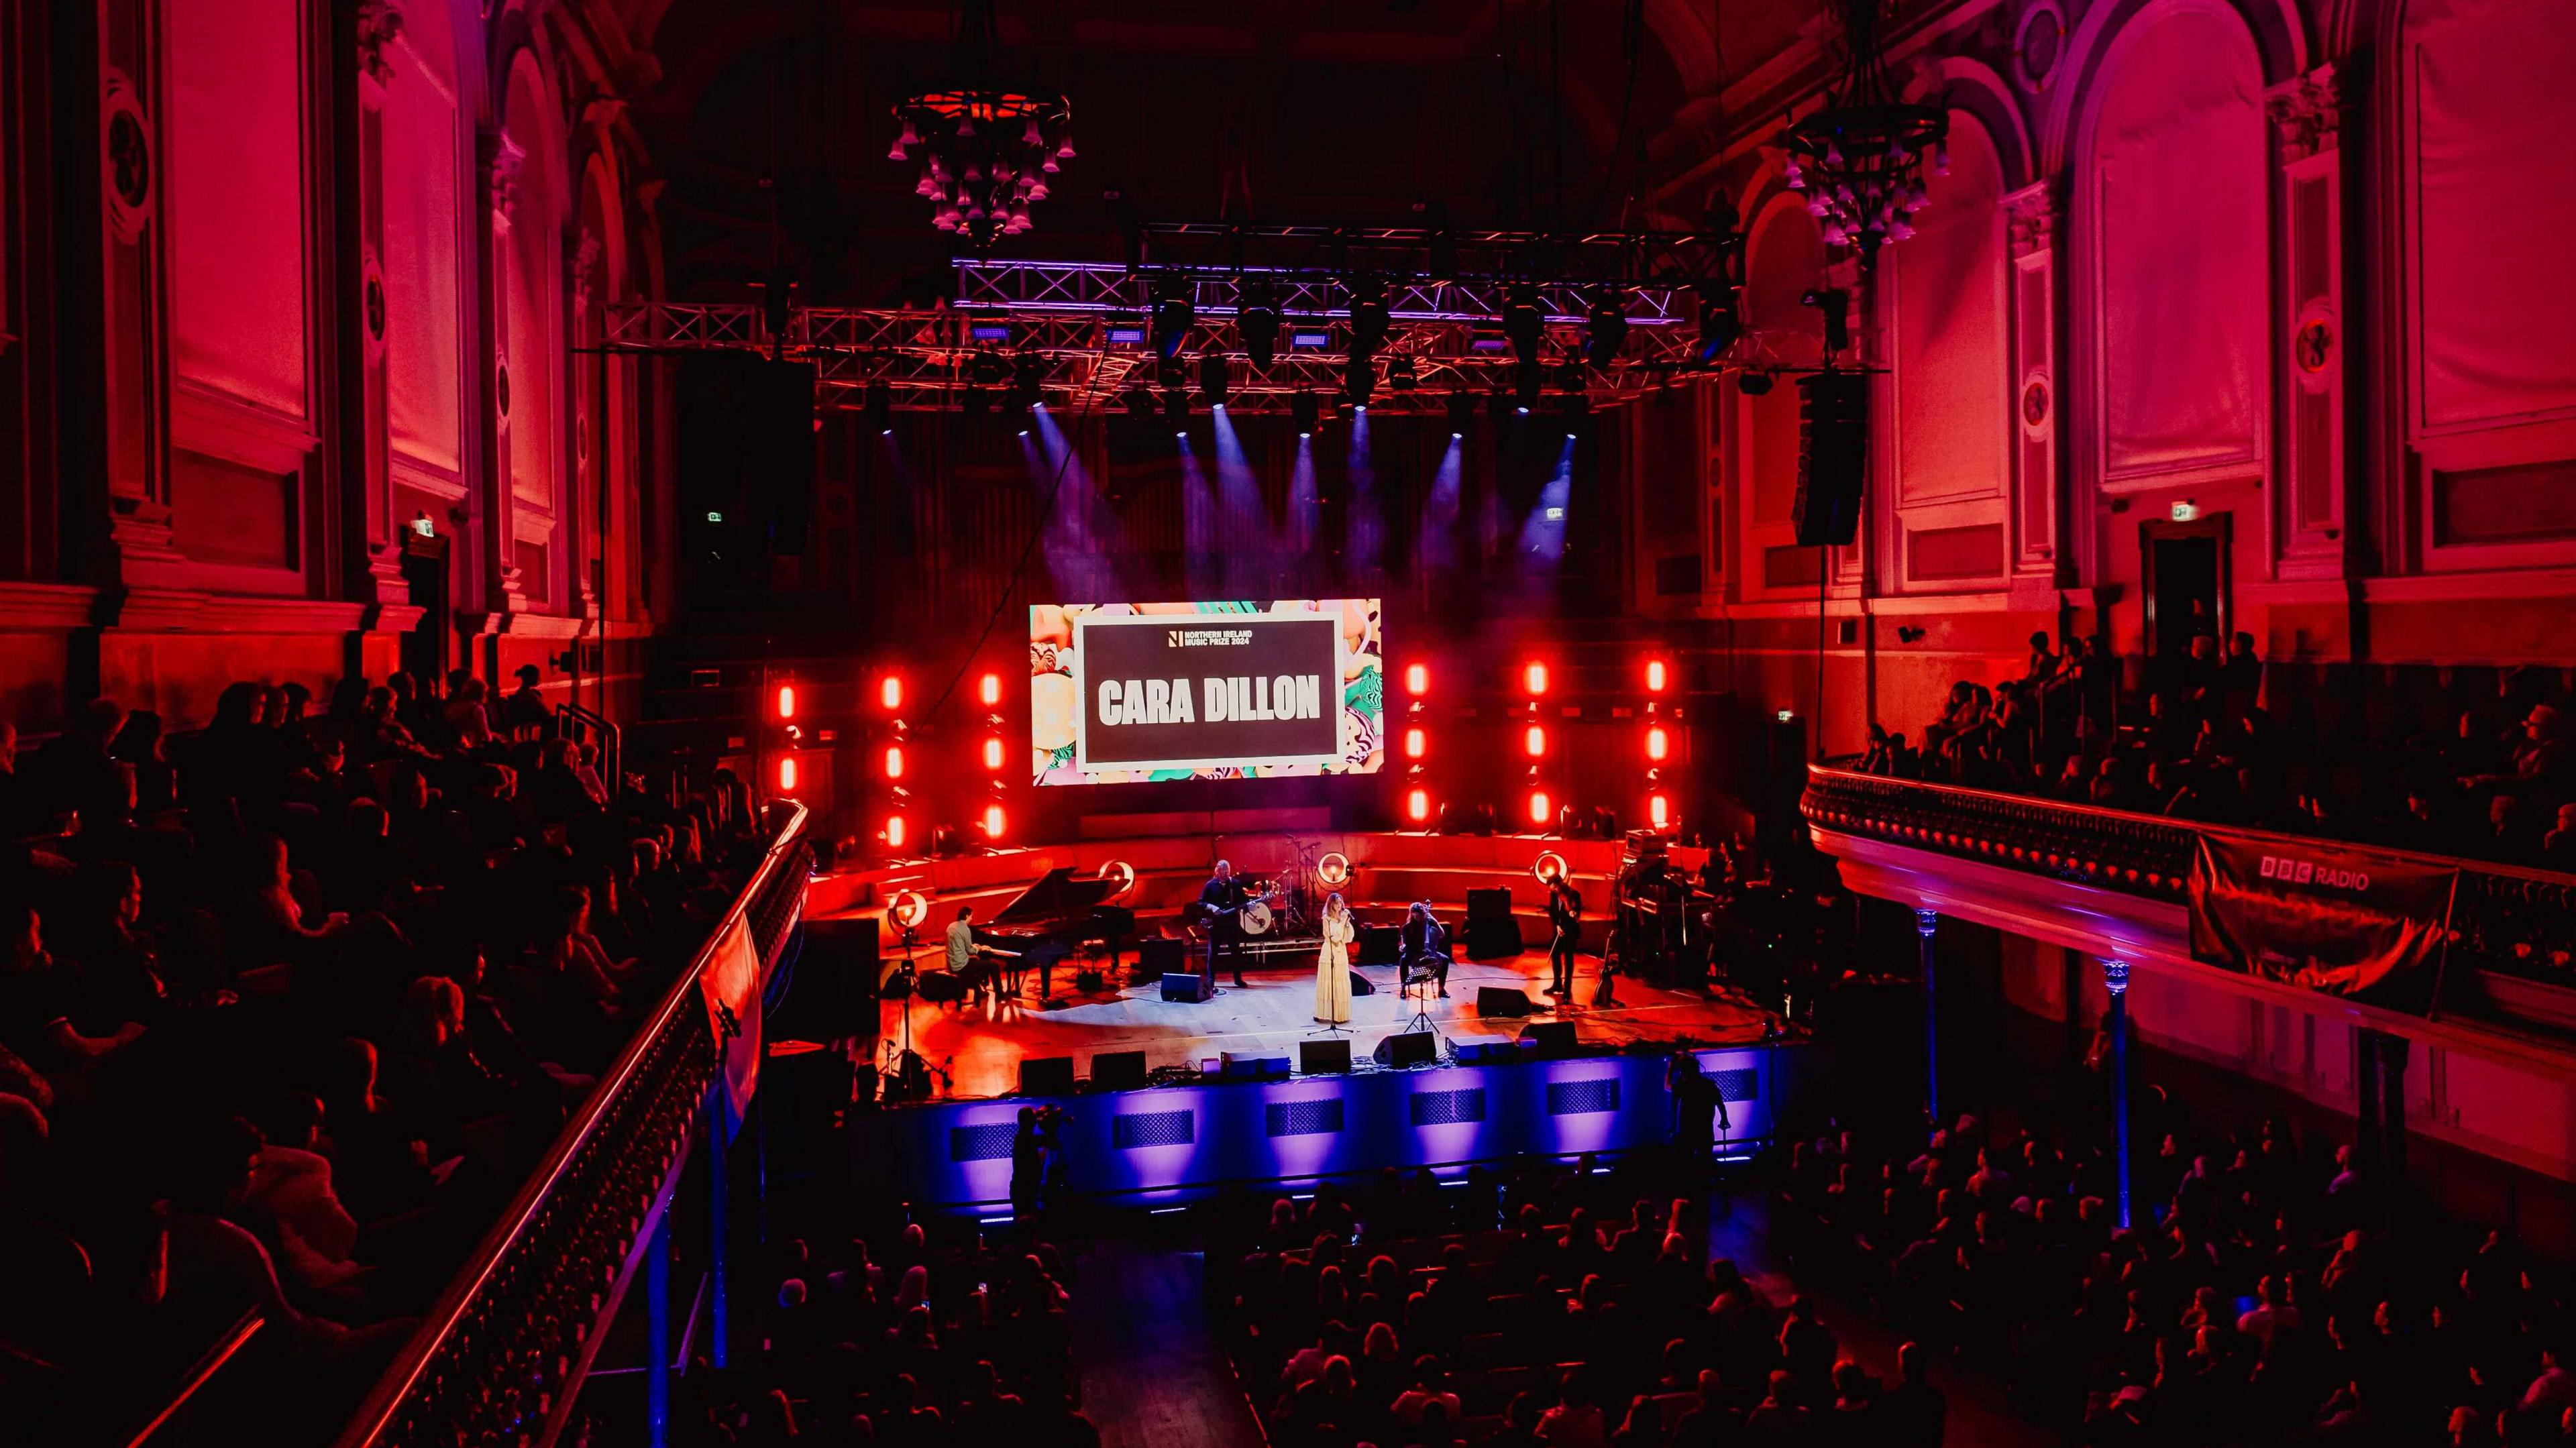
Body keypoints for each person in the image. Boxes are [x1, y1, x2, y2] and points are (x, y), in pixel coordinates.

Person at [1201, 859, 1250, 988]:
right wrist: (1212, 907)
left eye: (1226, 872)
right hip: (1216, 924)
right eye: (1222, 872)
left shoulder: (1235, 884)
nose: (1224, 875)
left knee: (1236, 952)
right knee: (1213, 954)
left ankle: (1238, 979)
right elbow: (1201, 903)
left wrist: (1248, 906)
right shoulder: (1210, 885)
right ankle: (1210, 981)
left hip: (1232, 923)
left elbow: (1243, 901)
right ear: (1217, 871)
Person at [1313, 891, 1353, 1025]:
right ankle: (1323, 1013)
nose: (1339, 905)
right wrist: (1343, 922)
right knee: (1329, 982)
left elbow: (1347, 938)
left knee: (1340, 981)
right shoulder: (1327, 919)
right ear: (1331, 904)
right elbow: (1334, 937)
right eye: (1337, 902)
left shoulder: (1343, 918)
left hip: (1341, 952)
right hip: (1329, 951)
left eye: (1341, 902)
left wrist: (1347, 923)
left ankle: (1340, 1015)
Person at [1399, 902, 1450, 999]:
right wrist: (1403, 947)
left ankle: (1441, 989)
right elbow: (1405, 943)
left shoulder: (1429, 923)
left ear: (1423, 914)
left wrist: (1435, 921)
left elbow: (1442, 934)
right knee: (1404, 959)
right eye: (1414, 916)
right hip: (1415, 952)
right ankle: (1403, 987)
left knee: (1445, 959)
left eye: (1418, 916)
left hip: (1430, 952)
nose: (1416, 919)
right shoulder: (1408, 927)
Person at [1548, 875, 1582, 999]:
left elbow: (1576, 913)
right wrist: (1557, 926)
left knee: (1568, 958)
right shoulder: (1553, 895)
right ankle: (1557, 984)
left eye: (1556, 887)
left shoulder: (1574, 895)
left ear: (1561, 884)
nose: (1555, 890)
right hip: (1559, 930)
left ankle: (1567, 989)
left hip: (1570, 931)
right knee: (1555, 955)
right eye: (1553, 888)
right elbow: (1552, 912)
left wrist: (1573, 913)